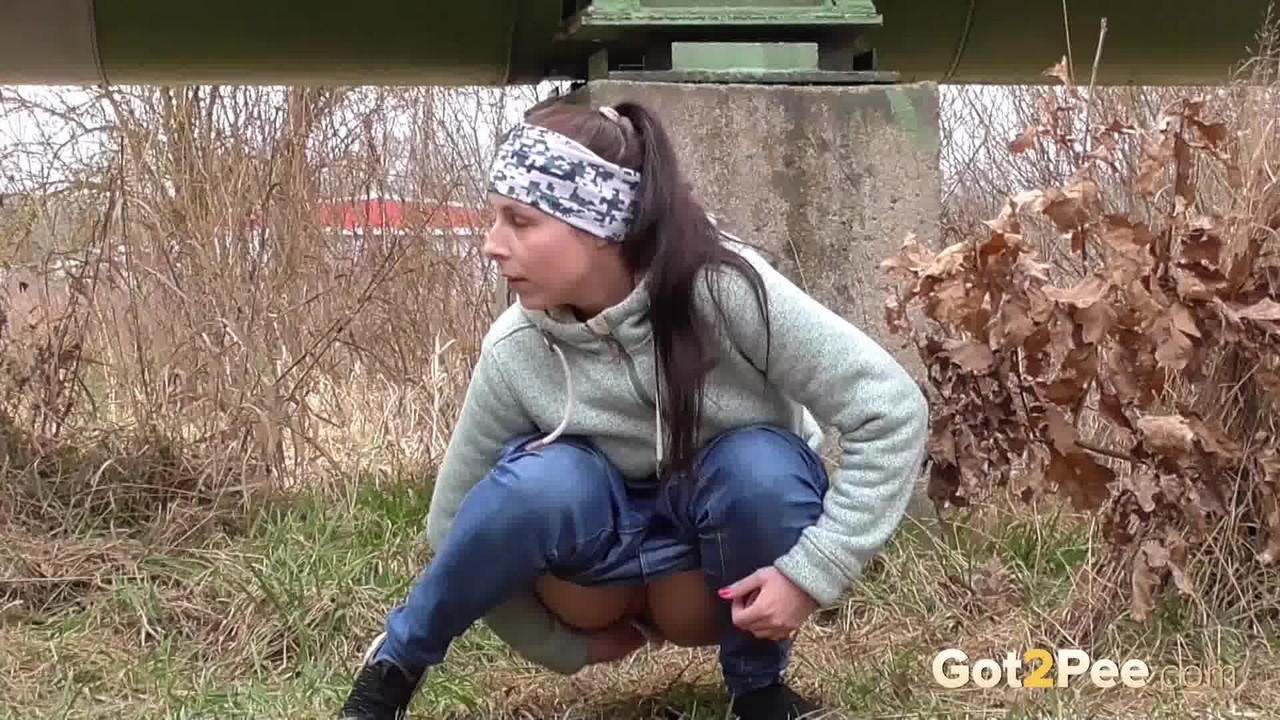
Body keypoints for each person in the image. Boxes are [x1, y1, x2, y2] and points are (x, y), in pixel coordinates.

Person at [336, 98, 929, 720]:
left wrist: (812, 573)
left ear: (600, 225)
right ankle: (392, 670)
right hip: (597, 583)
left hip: (712, 574)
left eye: (519, 221)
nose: (491, 245)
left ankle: (758, 690)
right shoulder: (516, 348)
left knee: (761, 469)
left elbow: (889, 408)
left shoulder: (723, 288)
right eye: (493, 219)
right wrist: (559, 645)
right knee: (541, 484)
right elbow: (456, 526)